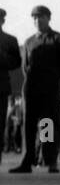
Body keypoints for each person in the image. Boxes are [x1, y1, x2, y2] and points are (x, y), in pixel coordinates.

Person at [9, 6, 60, 174]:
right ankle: (27, 161)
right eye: (35, 18)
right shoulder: (29, 42)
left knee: (47, 125)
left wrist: (54, 79)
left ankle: (50, 159)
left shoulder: (59, 40)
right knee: (28, 126)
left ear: (48, 18)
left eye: (41, 17)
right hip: (31, 89)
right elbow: (25, 67)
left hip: (49, 90)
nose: (37, 21)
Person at [0, 9, 20, 147]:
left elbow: (16, 63)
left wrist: (2, 57)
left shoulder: (10, 40)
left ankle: (46, 157)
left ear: (2, 21)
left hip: (1, 89)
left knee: (46, 122)